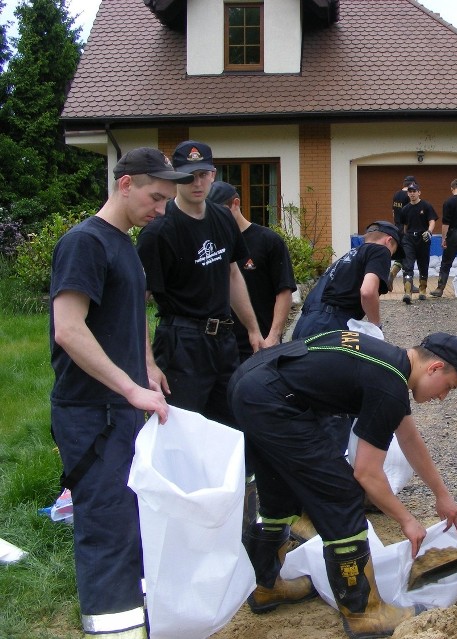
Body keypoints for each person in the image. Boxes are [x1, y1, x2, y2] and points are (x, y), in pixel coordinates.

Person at [227, 329, 457, 637]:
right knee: (341, 493)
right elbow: (367, 473)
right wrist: (408, 521)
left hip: (250, 383)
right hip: (271, 398)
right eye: (449, 388)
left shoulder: (389, 365)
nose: (442, 397)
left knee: (279, 489)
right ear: (435, 368)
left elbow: (409, 437)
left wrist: (442, 494)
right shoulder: (390, 386)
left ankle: (266, 585)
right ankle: (364, 612)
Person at [49, 148, 193, 639]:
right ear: (125, 183)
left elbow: (129, 316)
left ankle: (136, 619)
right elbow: (68, 329)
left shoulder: (124, 243)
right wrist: (131, 388)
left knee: (134, 520)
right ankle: (112, 629)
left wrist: (148, 367)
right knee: (107, 525)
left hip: (122, 407)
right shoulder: (85, 243)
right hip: (93, 414)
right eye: (156, 197)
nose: (160, 209)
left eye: (167, 201)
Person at [136, 140, 262, 427]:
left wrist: (253, 329)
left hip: (225, 342)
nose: (197, 182)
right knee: (182, 427)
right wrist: (148, 363)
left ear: (213, 174)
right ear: (176, 176)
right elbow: (137, 301)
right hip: (182, 343)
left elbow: (232, 274)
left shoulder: (222, 217)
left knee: (229, 424)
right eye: (189, 175)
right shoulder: (158, 232)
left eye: (203, 174)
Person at [207, 181, 297, 362]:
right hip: (219, 344)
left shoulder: (268, 241)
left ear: (235, 204)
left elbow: (284, 291)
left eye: (220, 211)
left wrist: (273, 336)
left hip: (259, 344)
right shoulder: (210, 245)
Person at [291, 220, 403, 339]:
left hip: (303, 324)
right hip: (329, 326)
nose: (389, 256)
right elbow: (368, 292)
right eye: (393, 252)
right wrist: (375, 327)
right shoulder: (381, 250)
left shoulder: (347, 257)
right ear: (389, 240)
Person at [398, 182, 438, 303]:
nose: (412, 194)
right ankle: (407, 292)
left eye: (414, 191)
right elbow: (405, 226)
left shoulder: (426, 206)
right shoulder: (405, 209)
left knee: (423, 264)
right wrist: (404, 238)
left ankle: (422, 290)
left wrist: (429, 232)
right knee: (408, 265)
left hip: (423, 238)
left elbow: (432, 221)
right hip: (409, 238)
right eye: (410, 192)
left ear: (419, 192)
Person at [388, 175, 417, 291]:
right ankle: (408, 285)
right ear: (412, 184)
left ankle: (391, 275)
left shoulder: (396, 195)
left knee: (403, 255)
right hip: (407, 229)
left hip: (397, 227)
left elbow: (393, 212)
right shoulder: (409, 196)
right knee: (409, 256)